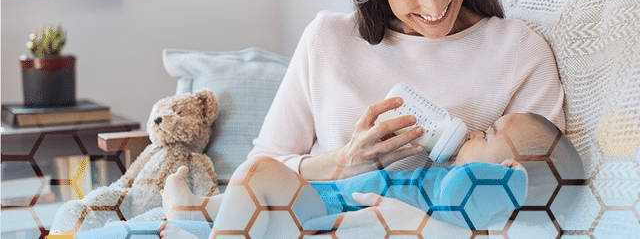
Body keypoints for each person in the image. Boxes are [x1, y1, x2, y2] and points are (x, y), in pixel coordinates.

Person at [247, 0, 565, 182]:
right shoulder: (327, 39)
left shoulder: (518, 52)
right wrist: (342, 163)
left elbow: (540, 190)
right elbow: (259, 171)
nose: (433, 7)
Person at [158, 113, 583, 238]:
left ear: (504, 174)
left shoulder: (466, 191)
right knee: (252, 197)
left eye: (487, 134)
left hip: (324, 214)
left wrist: (515, 182)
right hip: (322, 199)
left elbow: (498, 191)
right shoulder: (444, 181)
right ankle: (195, 210)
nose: (474, 131)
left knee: (260, 174)